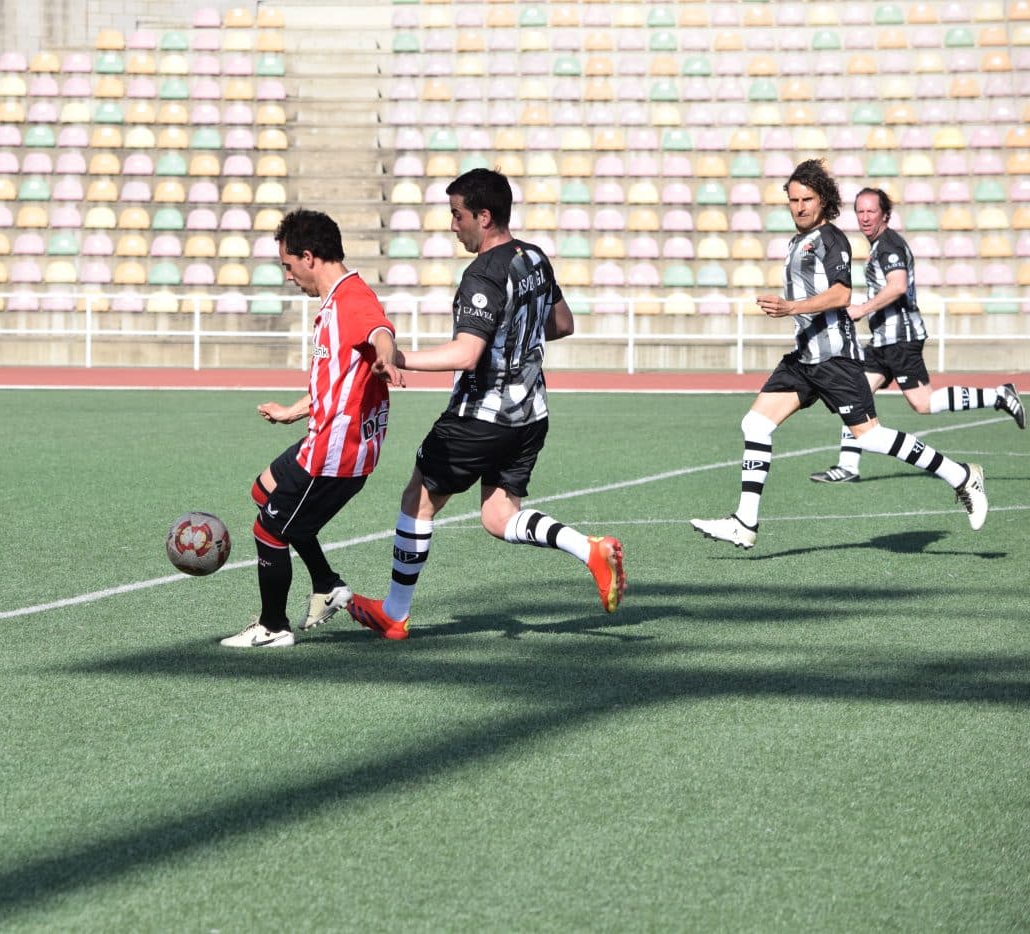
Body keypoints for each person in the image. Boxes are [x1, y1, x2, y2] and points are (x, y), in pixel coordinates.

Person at [345, 168, 625, 641]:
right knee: (499, 518)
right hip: (530, 415)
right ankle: (589, 549)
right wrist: (517, 332)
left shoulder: (483, 272)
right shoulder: (533, 257)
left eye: (458, 216)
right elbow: (561, 323)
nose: (453, 226)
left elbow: (467, 353)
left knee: (417, 501)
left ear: (484, 216)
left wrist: (400, 357)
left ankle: (394, 612)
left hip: (480, 417)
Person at [691, 160, 988, 550]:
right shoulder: (797, 241)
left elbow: (841, 294)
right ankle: (744, 522)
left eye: (807, 199)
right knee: (755, 425)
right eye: (793, 200)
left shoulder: (831, 239)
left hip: (835, 360)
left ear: (823, 200)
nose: (799, 206)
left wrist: (790, 308)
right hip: (805, 358)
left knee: (871, 437)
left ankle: (961, 475)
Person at [220, 209, 404, 648]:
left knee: (268, 530)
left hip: (336, 453)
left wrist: (387, 354)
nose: (287, 276)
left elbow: (380, 329)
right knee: (263, 491)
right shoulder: (335, 300)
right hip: (324, 436)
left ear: (308, 257)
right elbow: (338, 381)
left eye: (287, 265)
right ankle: (326, 584)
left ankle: (272, 627)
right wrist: (292, 412)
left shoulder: (351, 299)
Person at [809, 186, 1023, 483]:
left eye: (872, 211)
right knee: (855, 393)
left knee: (923, 403)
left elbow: (897, 286)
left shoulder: (889, 246)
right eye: (860, 211)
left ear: (885, 214)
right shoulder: (878, 246)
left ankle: (998, 395)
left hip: (900, 340)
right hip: (883, 341)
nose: (865, 217)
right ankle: (848, 466)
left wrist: (862, 309)